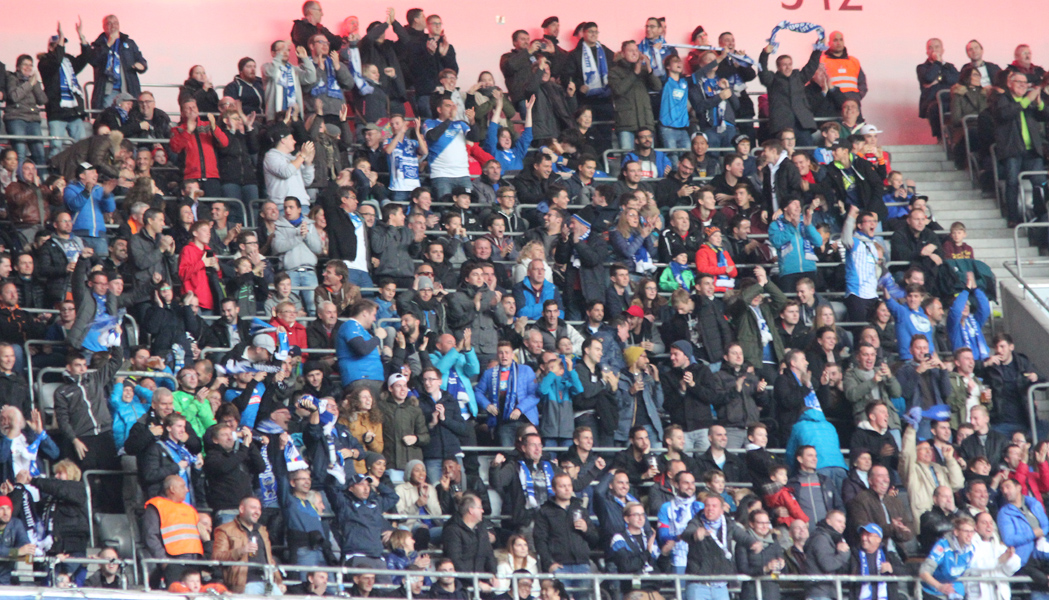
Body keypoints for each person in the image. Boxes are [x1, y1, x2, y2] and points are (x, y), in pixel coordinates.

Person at [534, 473, 598, 595]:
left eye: (569, 485)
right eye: (563, 486)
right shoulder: (545, 512)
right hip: (559, 566)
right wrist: (549, 564)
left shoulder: (580, 509)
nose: (567, 489)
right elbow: (540, 540)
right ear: (554, 489)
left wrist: (586, 530)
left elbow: (595, 539)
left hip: (582, 565)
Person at [682, 493, 753, 600]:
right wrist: (695, 535)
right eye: (707, 505)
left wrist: (753, 543)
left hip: (720, 585)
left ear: (721, 510)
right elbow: (686, 534)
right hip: (698, 584)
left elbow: (742, 536)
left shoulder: (728, 524)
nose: (710, 509)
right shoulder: (696, 522)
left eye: (714, 506)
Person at [212, 497, 284, 595]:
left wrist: (279, 582)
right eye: (253, 508)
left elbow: (269, 559)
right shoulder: (225, 530)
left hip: (269, 583)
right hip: (245, 584)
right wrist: (241, 551)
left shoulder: (262, 530)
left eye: (259, 509)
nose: (257, 512)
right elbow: (217, 557)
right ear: (242, 509)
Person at [476, 341, 539, 448]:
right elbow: (478, 392)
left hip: (525, 419)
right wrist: (487, 405)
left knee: (528, 449)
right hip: (503, 422)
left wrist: (519, 409)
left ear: (512, 355)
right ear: (497, 355)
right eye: (501, 353)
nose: (504, 356)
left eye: (507, 352)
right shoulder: (490, 373)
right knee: (508, 452)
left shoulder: (526, 370)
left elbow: (534, 395)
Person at [143, 475, 203, 587]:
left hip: (193, 562)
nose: (187, 490)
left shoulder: (189, 509)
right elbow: (150, 536)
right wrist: (164, 561)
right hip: (173, 562)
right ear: (172, 489)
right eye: (183, 486)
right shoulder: (157, 506)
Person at [758, 43, 822, 143]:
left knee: (807, 150)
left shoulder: (799, 77)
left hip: (802, 124)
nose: (788, 67)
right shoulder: (772, 80)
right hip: (782, 125)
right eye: (784, 65)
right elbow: (762, 72)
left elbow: (811, 66)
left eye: (790, 64)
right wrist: (764, 54)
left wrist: (818, 49)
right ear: (778, 67)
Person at [88, 15, 147, 110]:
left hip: (128, 89)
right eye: (109, 24)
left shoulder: (129, 43)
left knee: (131, 115)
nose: (113, 26)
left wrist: (141, 66)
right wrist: (108, 44)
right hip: (108, 91)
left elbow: (141, 60)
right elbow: (94, 60)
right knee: (109, 115)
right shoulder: (98, 44)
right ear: (104, 27)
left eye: (116, 23)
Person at [919, 516, 976, 599]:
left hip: (954, 592)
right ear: (956, 532)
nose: (969, 535)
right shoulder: (943, 546)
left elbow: (965, 575)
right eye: (966, 531)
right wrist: (939, 586)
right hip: (933, 592)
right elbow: (923, 572)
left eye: (972, 532)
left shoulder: (971, 549)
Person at [968, 511, 1021, 600]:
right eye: (984, 523)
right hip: (978, 596)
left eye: (991, 523)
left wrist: (1010, 557)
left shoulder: (999, 546)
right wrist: (998, 561)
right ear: (976, 527)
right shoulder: (969, 546)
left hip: (999, 595)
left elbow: (1010, 570)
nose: (988, 526)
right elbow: (972, 567)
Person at [442, 492, 496, 574]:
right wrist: (473, 579)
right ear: (471, 510)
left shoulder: (482, 529)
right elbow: (455, 561)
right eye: (479, 507)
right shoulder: (452, 531)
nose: (482, 510)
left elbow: (489, 555)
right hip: (463, 580)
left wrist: (493, 575)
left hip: (482, 578)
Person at [265, 124, 316, 209]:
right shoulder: (271, 156)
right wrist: (302, 156)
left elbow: (307, 181)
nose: (294, 142)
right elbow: (286, 173)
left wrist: (308, 163)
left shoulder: (294, 158)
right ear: (283, 141)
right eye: (291, 139)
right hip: (282, 205)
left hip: (302, 203)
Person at [917, 39, 959, 139]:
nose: (934, 50)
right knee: (935, 108)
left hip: (951, 100)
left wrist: (940, 79)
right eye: (930, 48)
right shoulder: (922, 67)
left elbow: (957, 79)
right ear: (927, 52)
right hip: (932, 101)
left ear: (942, 50)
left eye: (937, 47)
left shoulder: (950, 67)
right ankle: (940, 137)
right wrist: (937, 63)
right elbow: (928, 78)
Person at [848, 523, 903, 600]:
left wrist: (892, 569)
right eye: (862, 535)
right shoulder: (854, 555)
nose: (864, 538)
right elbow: (842, 572)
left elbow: (905, 571)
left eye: (868, 535)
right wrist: (842, 554)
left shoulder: (889, 555)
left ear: (878, 539)